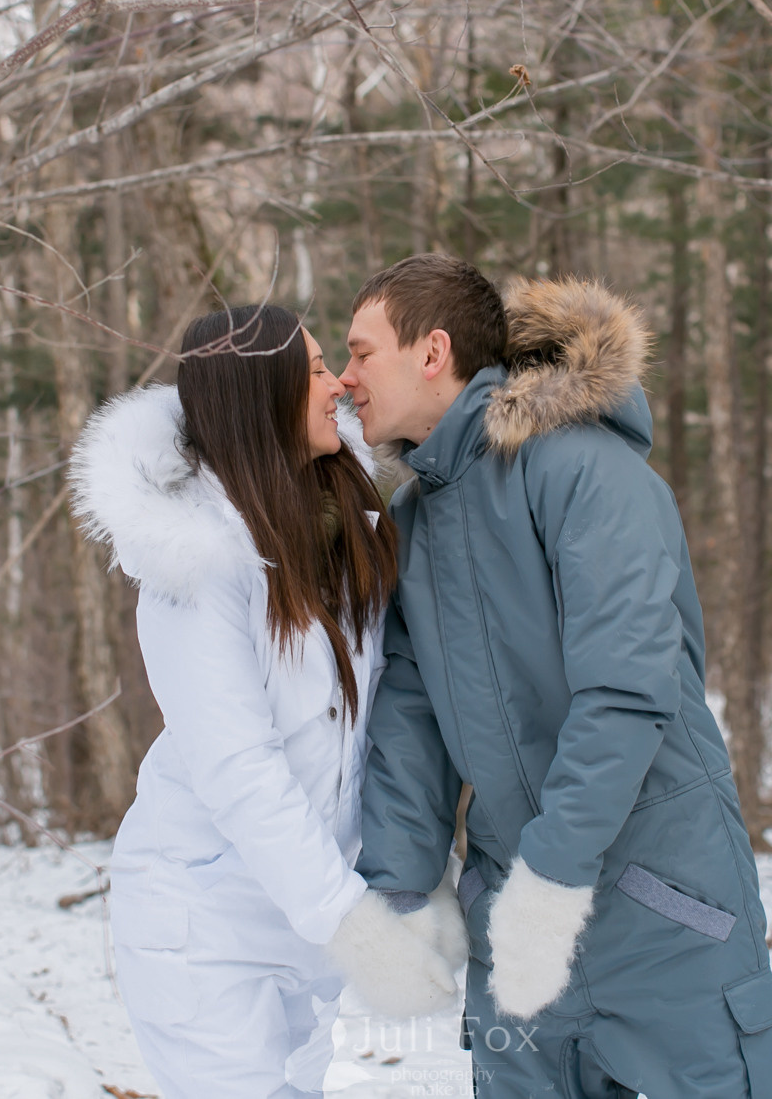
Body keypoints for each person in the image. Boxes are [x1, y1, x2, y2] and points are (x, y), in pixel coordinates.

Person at [335, 255, 772, 1099]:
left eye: (361, 352)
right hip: (514, 919)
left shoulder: (583, 469)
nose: (344, 376)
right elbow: (410, 727)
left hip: (659, 899)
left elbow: (626, 693)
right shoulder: (411, 520)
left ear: (432, 351)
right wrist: (402, 895)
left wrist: (551, 884)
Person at [68, 304, 464, 1099]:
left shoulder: (339, 528)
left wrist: (424, 879)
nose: (337, 385)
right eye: (314, 370)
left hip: (302, 928)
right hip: (206, 926)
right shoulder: (200, 563)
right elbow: (239, 769)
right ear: (262, 396)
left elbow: (374, 731)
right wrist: (348, 919)